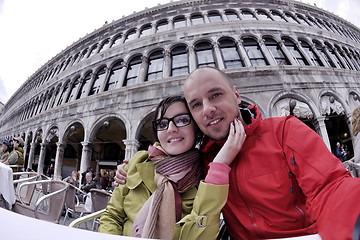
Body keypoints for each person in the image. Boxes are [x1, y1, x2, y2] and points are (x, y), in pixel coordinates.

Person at [115, 67, 360, 240]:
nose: (208, 110)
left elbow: (330, 188)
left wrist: (355, 220)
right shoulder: (203, 162)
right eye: (196, 105)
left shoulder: (284, 132)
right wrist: (131, 167)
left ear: (236, 94)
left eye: (216, 95)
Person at [98, 96, 245, 239]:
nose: (171, 129)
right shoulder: (138, 161)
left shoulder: (208, 175)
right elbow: (112, 216)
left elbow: (201, 235)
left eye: (182, 120)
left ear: (196, 128)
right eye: (162, 124)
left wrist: (220, 166)